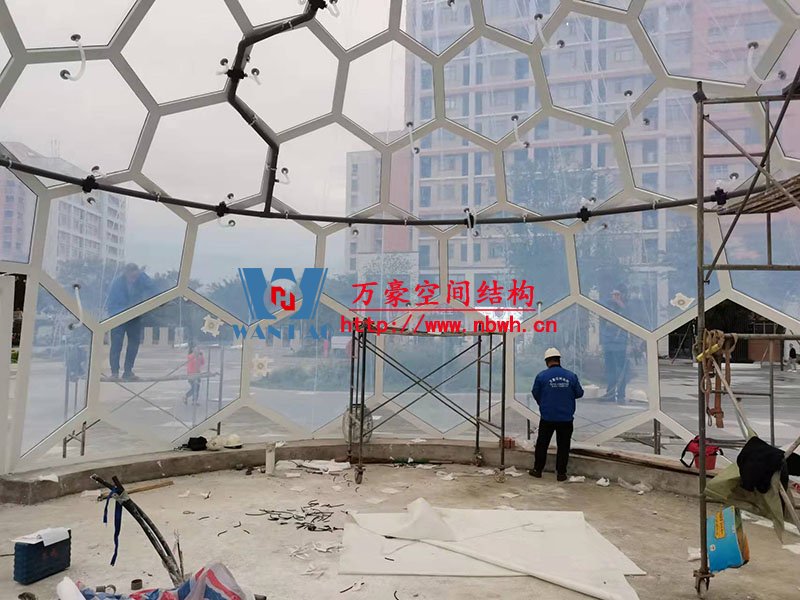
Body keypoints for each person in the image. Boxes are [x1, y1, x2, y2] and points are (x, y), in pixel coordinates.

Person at [529, 347, 584, 482]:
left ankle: (537, 470)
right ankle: (561, 474)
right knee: (563, 446)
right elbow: (579, 393)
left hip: (547, 417)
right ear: (559, 360)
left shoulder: (541, 376)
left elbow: (535, 393)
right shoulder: (571, 376)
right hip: (566, 418)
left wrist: (544, 402)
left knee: (542, 444)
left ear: (547, 361)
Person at [106, 263, 154, 381]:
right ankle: (114, 372)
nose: (134, 279)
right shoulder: (117, 283)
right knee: (116, 344)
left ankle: (128, 371)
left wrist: (143, 276)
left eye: (136, 276)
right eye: (131, 277)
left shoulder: (140, 279)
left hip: (134, 317)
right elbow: (111, 302)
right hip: (118, 316)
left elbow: (153, 287)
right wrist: (116, 316)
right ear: (125, 273)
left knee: (134, 344)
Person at [600, 286, 630, 404]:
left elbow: (630, 319)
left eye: (617, 294)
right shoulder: (608, 306)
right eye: (613, 294)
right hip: (608, 343)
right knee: (610, 370)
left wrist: (620, 304)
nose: (615, 297)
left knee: (621, 370)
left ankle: (621, 394)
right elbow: (603, 322)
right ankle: (610, 393)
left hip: (620, 344)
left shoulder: (625, 308)